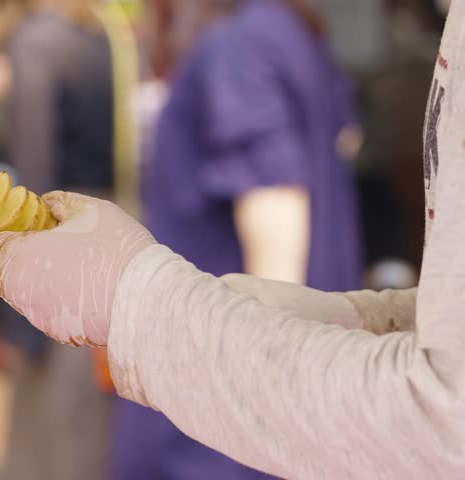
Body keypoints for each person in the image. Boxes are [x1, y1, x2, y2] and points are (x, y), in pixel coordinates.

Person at [0, 0, 465, 478]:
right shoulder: (278, 32)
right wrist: (343, 316)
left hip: (231, 429)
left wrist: (134, 297)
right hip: (271, 393)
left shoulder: (241, 49)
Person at [112, 0, 361, 478]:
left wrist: (264, 375)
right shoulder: (284, 31)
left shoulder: (241, 46)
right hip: (264, 376)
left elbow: (276, 207)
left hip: (219, 389)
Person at [0, 1, 115, 479]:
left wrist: (20, 310)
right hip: (116, 233)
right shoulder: (105, 35)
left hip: (59, 237)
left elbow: (34, 170)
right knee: (94, 414)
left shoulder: (37, 42)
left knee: (52, 418)